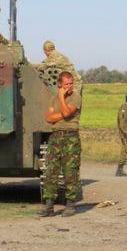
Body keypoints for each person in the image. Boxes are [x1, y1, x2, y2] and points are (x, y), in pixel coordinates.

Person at [39, 71, 83, 217]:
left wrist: (62, 98)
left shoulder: (76, 97)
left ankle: (70, 204)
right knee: (51, 171)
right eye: (66, 84)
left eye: (71, 84)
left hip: (71, 138)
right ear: (60, 84)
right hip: (55, 137)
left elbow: (67, 112)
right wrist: (62, 113)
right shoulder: (53, 99)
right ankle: (49, 205)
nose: (69, 86)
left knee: (70, 172)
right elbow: (48, 117)